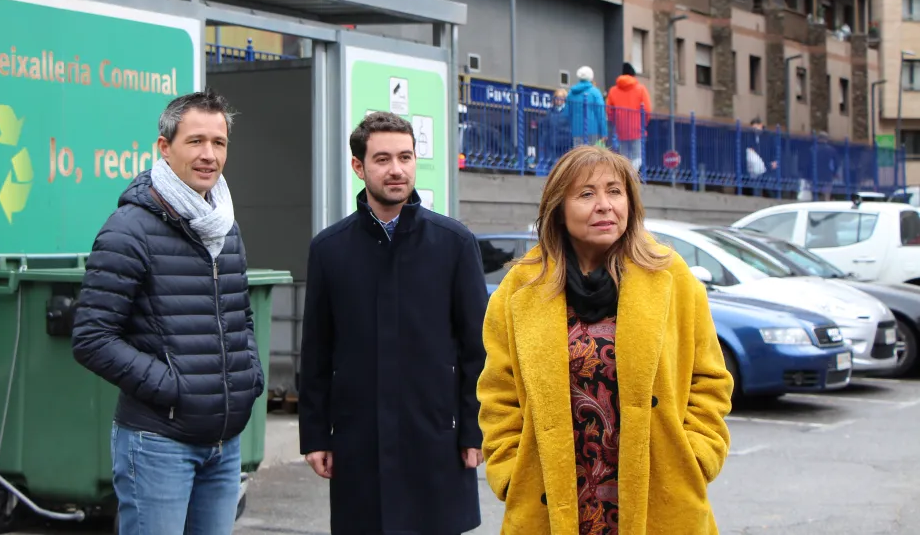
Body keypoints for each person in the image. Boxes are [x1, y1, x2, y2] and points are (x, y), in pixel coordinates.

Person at [477, 144, 733, 534]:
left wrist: (697, 456)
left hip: (659, 496)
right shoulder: (521, 288)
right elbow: (499, 392)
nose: (605, 205)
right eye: (586, 194)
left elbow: (710, 380)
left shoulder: (670, 277)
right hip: (553, 499)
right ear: (558, 210)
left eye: (615, 191)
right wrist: (510, 471)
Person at [71, 90, 263, 535]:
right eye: (195, 141)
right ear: (164, 147)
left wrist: (248, 377)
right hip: (158, 442)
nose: (209, 155)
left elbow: (240, 315)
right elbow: (92, 338)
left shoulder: (224, 225)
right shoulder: (129, 229)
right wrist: (173, 388)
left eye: (219, 143)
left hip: (223, 443)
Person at [299, 111, 489, 535]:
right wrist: (315, 434)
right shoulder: (329, 250)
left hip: (436, 438)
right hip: (358, 441)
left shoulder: (454, 243)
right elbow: (316, 350)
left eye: (405, 156)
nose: (397, 169)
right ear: (358, 166)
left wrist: (474, 429)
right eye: (382, 159)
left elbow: (479, 350)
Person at [606, 62, 652, 171]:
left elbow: (609, 110)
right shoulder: (640, 89)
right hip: (637, 128)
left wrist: (616, 122)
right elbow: (648, 110)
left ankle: (625, 175)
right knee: (637, 156)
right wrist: (644, 123)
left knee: (624, 155)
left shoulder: (613, 90)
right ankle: (632, 176)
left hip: (621, 128)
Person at [568, 66, 608, 147]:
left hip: (576, 130)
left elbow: (567, 113)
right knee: (591, 155)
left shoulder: (571, 93)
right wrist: (604, 132)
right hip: (592, 129)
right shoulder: (595, 92)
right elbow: (601, 114)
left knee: (579, 155)